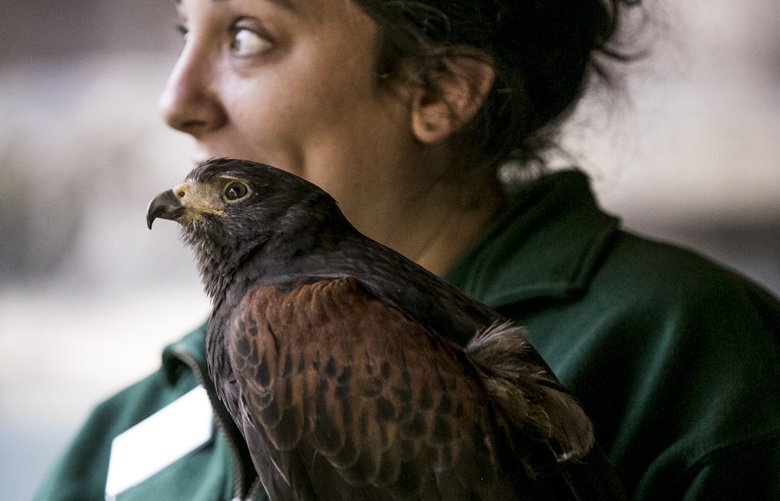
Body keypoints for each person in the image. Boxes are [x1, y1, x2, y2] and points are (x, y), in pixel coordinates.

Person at [36, 0, 780, 499]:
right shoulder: (131, 418)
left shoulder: (693, 345)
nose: (175, 101)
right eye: (181, 33)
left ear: (440, 91)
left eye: (245, 37)